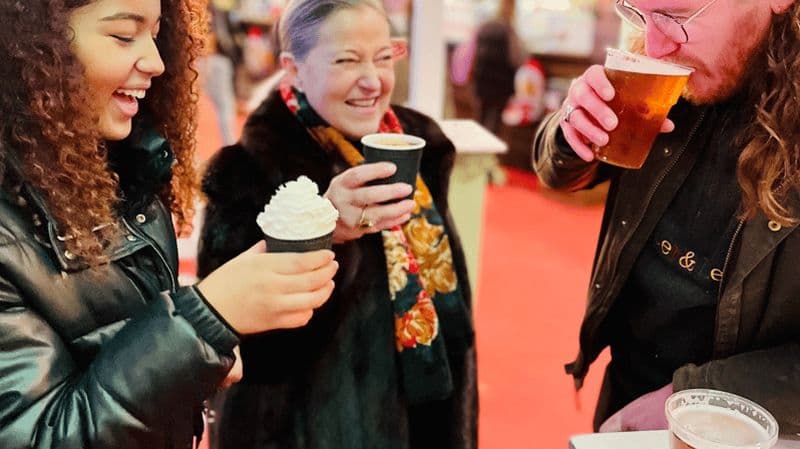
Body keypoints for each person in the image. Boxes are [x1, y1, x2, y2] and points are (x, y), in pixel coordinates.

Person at [0, 1, 338, 448]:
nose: (157, 62)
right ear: (26, 45)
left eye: (157, 34)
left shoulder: (122, 172)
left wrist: (198, 347)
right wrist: (203, 322)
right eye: (123, 35)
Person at [197, 1, 477, 448]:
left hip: (425, 413)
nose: (372, 81)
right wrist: (321, 227)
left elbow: (449, 302)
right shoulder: (248, 172)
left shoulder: (419, 141)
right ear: (293, 69)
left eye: (384, 57)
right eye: (347, 60)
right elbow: (232, 345)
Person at [533, 0, 800, 435]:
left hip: (742, 427)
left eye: (677, 17)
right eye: (637, 14)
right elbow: (556, 170)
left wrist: (700, 395)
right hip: (626, 390)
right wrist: (571, 131)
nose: (655, 46)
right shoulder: (657, 67)